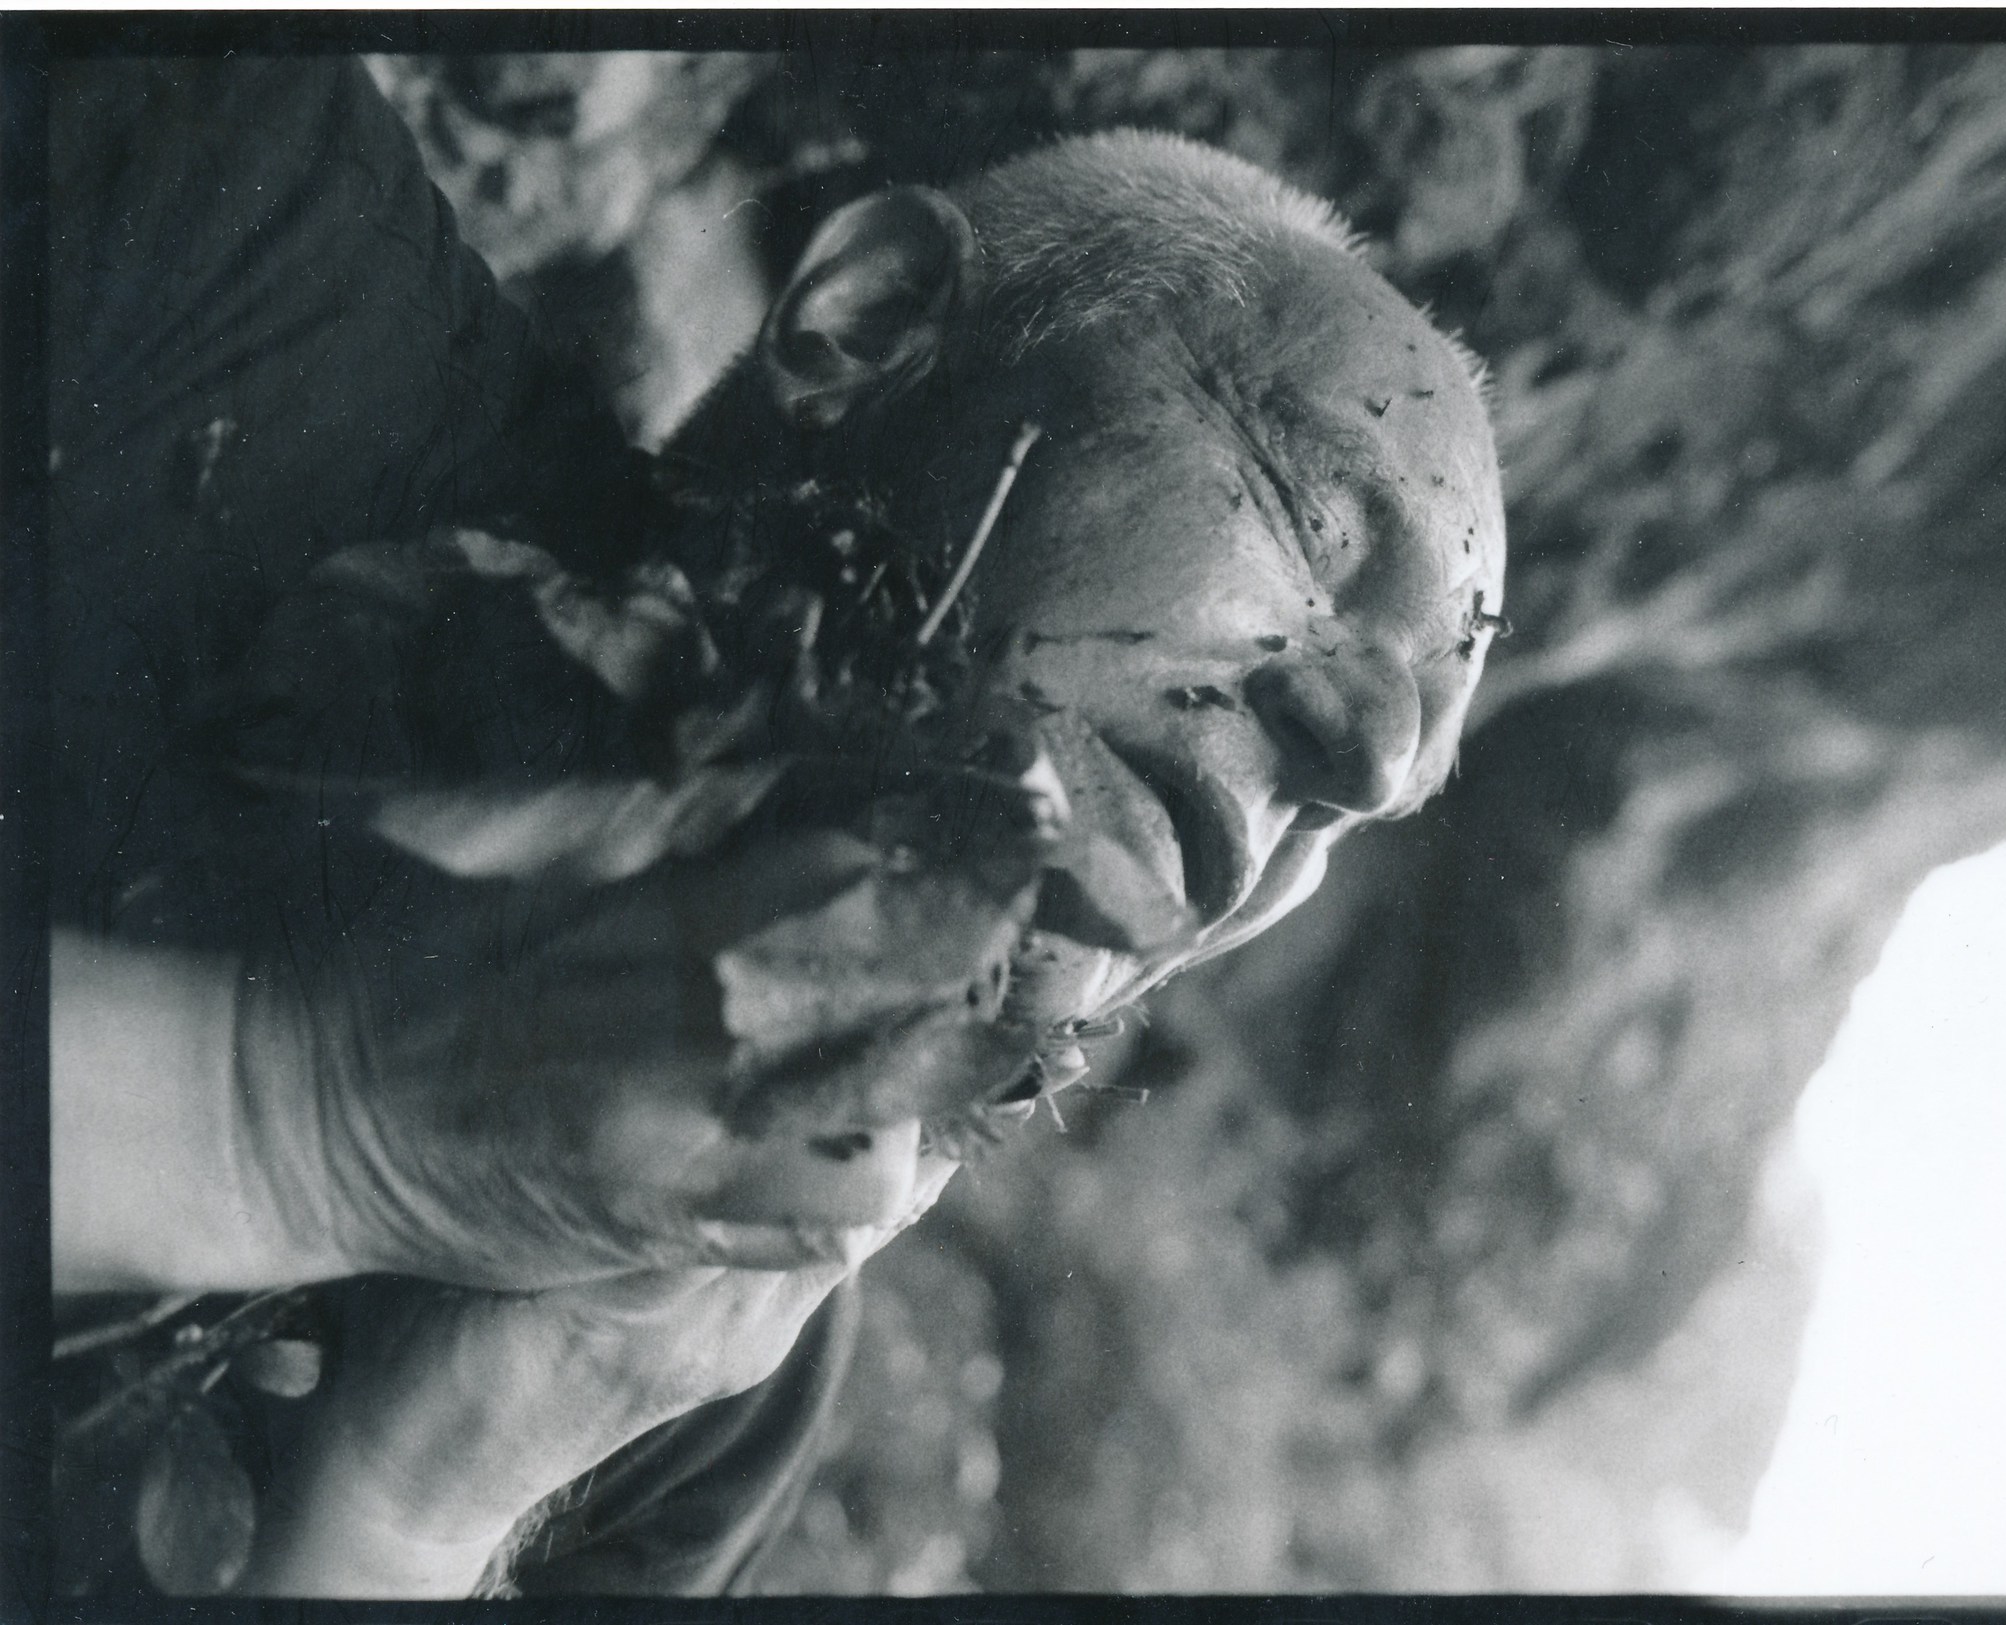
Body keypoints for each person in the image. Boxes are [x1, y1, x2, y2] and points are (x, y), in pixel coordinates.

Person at [49, 56, 1505, 1595]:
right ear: (869, 320)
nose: (1366, 759)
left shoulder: (708, 1390)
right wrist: (299, 1121)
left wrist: (416, 1500)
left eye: (1400, 789)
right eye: (1315, 522)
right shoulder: (199, 205)